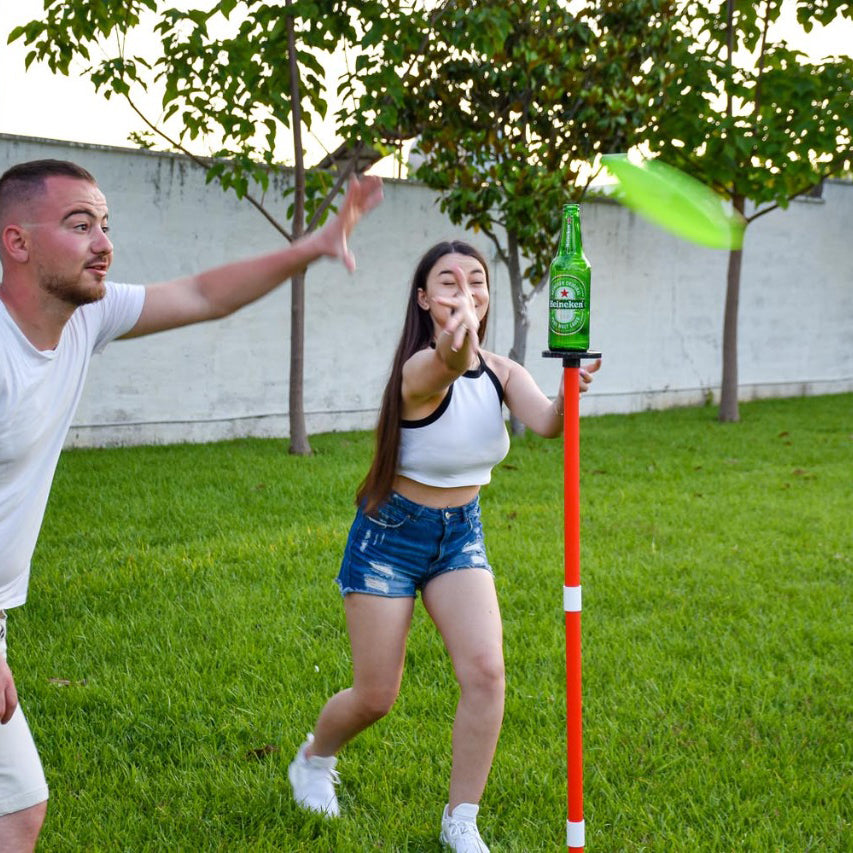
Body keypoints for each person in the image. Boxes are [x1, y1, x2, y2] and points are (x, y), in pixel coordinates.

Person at [0, 158, 383, 852]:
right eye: (79, 224)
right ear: (16, 242)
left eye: (106, 225)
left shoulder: (87, 318)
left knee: (17, 813)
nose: (103, 243)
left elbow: (206, 293)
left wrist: (313, 245)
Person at [287, 240, 600, 851]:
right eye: (448, 281)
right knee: (377, 696)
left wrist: (570, 391)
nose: (465, 290)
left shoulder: (505, 371)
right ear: (425, 298)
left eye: (476, 280)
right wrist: (456, 341)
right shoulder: (418, 371)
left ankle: (461, 819)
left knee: (486, 673)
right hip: (389, 539)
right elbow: (448, 364)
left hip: (461, 536)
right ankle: (315, 758)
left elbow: (547, 422)